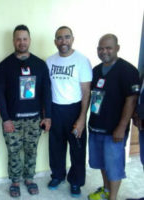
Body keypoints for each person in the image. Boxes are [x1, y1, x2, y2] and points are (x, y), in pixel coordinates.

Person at [0, 24, 52, 197]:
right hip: (12, 120)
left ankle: (29, 179)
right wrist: (5, 119)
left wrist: (47, 116)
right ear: (13, 41)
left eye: (25, 39)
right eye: (18, 39)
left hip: (35, 120)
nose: (22, 42)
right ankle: (15, 181)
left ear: (29, 40)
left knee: (31, 151)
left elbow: (46, 93)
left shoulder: (40, 65)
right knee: (13, 152)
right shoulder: (4, 66)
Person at [87, 34, 140, 200]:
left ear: (117, 48)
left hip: (114, 131)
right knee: (102, 163)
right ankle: (106, 190)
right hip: (96, 126)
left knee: (114, 166)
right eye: (101, 48)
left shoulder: (128, 71)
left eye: (108, 48)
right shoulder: (95, 71)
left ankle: (113, 198)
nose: (104, 51)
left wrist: (122, 127)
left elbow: (131, 100)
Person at [45, 26, 92, 197]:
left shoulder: (82, 60)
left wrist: (81, 119)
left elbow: (87, 92)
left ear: (72, 39)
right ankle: (57, 175)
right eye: (59, 38)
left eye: (66, 37)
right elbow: (46, 89)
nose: (63, 41)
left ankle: (76, 181)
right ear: (55, 41)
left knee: (77, 148)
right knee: (55, 146)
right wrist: (47, 115)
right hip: (55, 109)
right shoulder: (49, 61)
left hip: (75, 109)